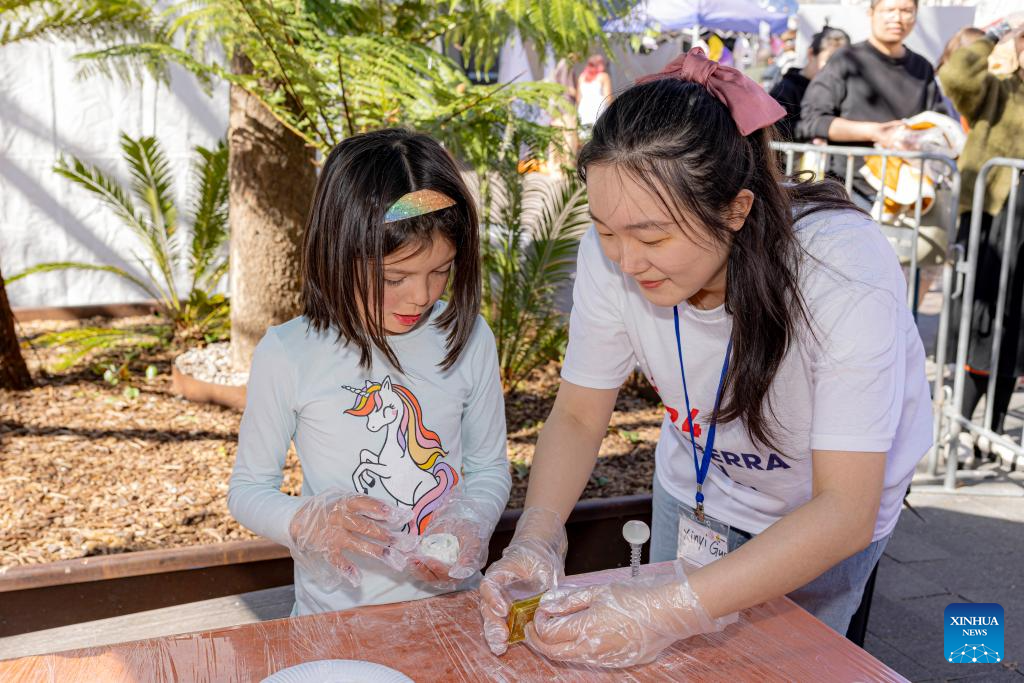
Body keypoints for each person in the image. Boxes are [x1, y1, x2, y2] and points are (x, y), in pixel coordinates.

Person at [478, 49, 931, 668]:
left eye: (653, 236)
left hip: (818, 517)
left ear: (735, 210)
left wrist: (665, 608)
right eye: (607, 230)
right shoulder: (612, 253)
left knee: (791, 668)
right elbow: (581, 414)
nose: (626, 261)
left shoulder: (841, 270)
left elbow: (843, 509)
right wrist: (535, 535)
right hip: (698, 490)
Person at [229, 129, 511, 616]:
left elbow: (488, 469)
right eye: (393, 277)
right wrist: (304, 520)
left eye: (441, 270)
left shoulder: (467, 336)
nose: (421, 296)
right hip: (336, 619)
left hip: (453, 612)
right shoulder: (289, 352)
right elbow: (248, 489)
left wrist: (472, 519)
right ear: (338, 251)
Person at [939, 18, 1024, 459]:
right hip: (994, 209)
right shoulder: (999, 81)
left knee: (1019, 325)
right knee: (985, 318)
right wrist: (1000, 35)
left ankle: (991, 429)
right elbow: (954, 76)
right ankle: (965, 424)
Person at [799, 0, 942, 205]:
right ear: (871, 13)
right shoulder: (846, 59)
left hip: (908, 189)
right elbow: (812, 120)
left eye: (906, 11)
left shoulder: (923, 68)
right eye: (889, 10)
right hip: (851, 189)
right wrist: (876, 132)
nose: (897, 17)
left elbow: (936, 122)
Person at [770, 26, 851, 141]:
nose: (835, 69)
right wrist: (819, 130)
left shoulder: (843, 88)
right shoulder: (785, 90)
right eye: (829, 61)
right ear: (811, 54)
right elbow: (776, 130)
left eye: (841, 62)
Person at [576, 55, 612, 135]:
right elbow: (608, 97)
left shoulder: (581, 77)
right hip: (599, 109)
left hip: (584, 111)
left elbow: (578, 98)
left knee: (585, 137)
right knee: (600, 137)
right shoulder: (604, 76)